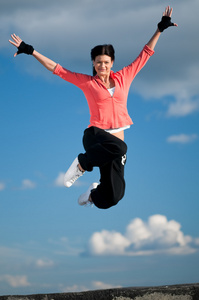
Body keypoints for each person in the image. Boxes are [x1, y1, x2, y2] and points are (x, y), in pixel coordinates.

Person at [9, 6, 177, 209]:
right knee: (121, 147)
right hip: (95, 137)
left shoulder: (125, 77)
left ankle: (92, 195)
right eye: (98, 63)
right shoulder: (87, 83)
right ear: (94, 63)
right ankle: (81, 164)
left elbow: (146, 54)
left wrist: (160, 29)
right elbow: (58, 70)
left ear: (112, 62)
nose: (102, 66)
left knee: (114, 196)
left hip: (113, 150)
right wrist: (31, 51)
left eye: (106, 62)